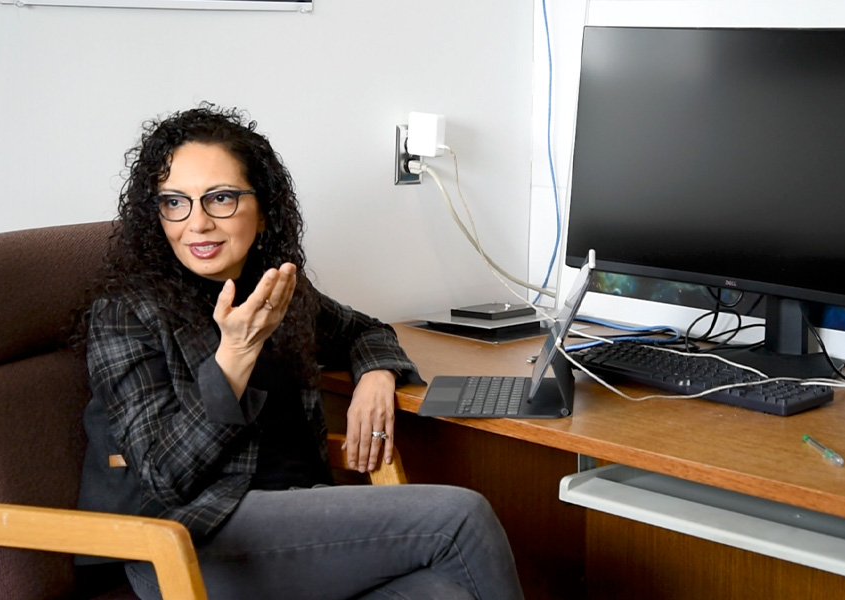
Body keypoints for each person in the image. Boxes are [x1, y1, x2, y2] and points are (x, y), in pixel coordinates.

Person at [75, 103, 525, 600]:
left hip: (297, 526)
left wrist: (376, 378)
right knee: (459, 519)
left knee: (444, 594)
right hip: (189, 541)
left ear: (264, 210)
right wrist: (236, 355)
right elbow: (166, 475)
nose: (196, 223)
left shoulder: (276, 289)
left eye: (220, 198)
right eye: (174, 202)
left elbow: (364, 331)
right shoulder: (127, 313)